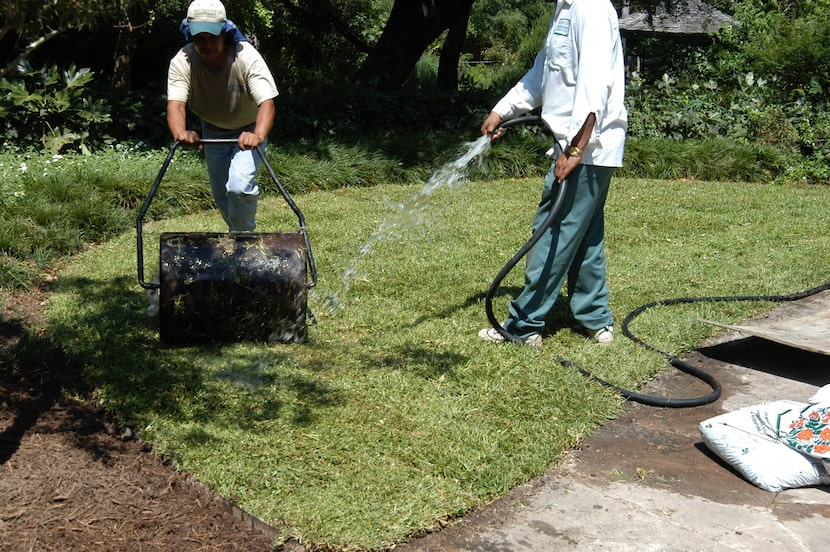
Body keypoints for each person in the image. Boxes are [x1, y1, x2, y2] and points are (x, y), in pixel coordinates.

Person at [478, 0, 627, 347]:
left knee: (554, 232)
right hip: (575, 145)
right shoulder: (565, 9)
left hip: (587, 148)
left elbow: (594, 86)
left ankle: (524, 324)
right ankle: (596, 319)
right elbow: (541, 75)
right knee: (584, 234)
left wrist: (575, 149)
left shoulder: (590, 9)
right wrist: (502, 111)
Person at [166, 0, 278, 232]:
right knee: (222, 196)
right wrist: (181, 133)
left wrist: (257, 135)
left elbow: (267, 103)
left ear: (225, 34)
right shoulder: (182, 62)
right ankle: (239, 239)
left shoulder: (246, 57)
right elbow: (176, 105)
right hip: (213, 131)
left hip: (248, 129)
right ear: (190, 35)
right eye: (199, 38)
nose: (206, 45)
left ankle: (244, 242)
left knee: (239, 187)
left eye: (212, 38)